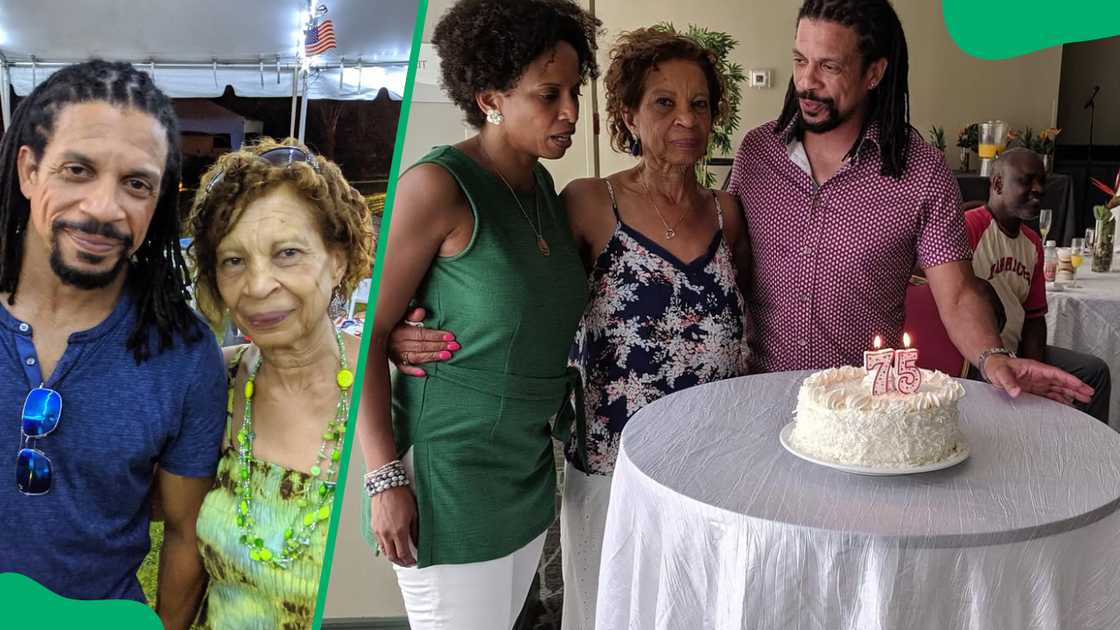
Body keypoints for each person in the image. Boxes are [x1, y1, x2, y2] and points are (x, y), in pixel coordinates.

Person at [358, 1, 600, 628]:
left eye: (575, 90)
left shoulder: (542, 189)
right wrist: (384, 481)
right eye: (550, 94)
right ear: (491, 96)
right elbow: (367, 338)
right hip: (451, 475)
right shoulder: (438, 186)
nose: (570, 111)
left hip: (523, 468)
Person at [726, 0, 1092, 405]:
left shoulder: (921, 172)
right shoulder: (758, 154)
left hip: (863, 412)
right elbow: (730, 268)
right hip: (759, 396)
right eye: (799, 60)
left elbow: (956, 295)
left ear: (874, 72)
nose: (806, 82)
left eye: (828, 67)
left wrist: (992, 358)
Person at [0, 60, 226, 628]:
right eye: (78, 170)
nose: (104, 209)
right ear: (29, 171)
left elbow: (184, 533)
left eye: (136, 184)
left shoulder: (185, 354)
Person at [556, 28, 751, 630]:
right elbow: (531, 305)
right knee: (615, 606)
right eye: (664, 103)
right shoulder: (589, 203)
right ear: (629, 114)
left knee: (697, 609)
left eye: (699, 104)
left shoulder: (728, 212)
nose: (686, 119)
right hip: (616, 466)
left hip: (712, 464)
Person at [185, 139, 371, 627]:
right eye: (233, 261)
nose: (258, 285)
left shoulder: (390, 390)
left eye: (287, 253)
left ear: (339, 258)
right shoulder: (213, 384)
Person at [964, 148, 1111, 422]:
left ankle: (1090, 453)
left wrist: (1037, 370)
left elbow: (1034, 319)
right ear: (997, 184)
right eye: (1027, 180)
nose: (1039, 190)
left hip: (1016, 350)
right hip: (975, 358)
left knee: (1094, 373)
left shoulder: (1032, 243)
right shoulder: (969, 227)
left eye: (1042, 182)